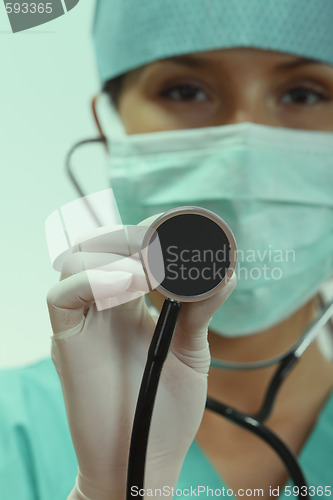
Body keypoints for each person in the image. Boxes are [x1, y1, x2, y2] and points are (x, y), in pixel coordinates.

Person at [1, 1, 333, 499]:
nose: (241, 151)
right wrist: (110, 489)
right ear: (110, 127)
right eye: (185, 90)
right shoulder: (15, 434)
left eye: (305, 94)